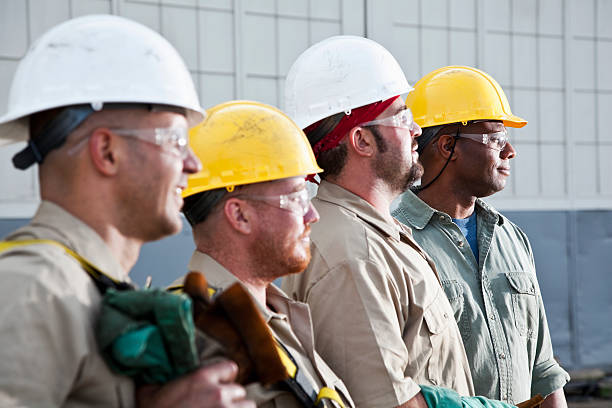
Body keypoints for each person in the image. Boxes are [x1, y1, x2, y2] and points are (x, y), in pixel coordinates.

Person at [0, 15, 253, 408]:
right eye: (175, 140)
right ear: (107, 152)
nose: (194, 165)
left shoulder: (88, 285)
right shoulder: (34, 290)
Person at [281, 35, 475, 408]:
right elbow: (384, 402)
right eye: (402, 115)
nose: (417, 129)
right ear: (362, 141)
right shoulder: (352, 256)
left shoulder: (378, 234)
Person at [392, 66, 570, 407]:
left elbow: (543, 369)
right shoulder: (397, 243)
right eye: (495, 139)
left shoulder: (512, 239)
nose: (510, 152)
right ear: (448, 146)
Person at [175, 100, 355, 408]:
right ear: (240, 216)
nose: (313, 215)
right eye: (297, 197)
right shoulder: (196, 333)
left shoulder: (275, 315)